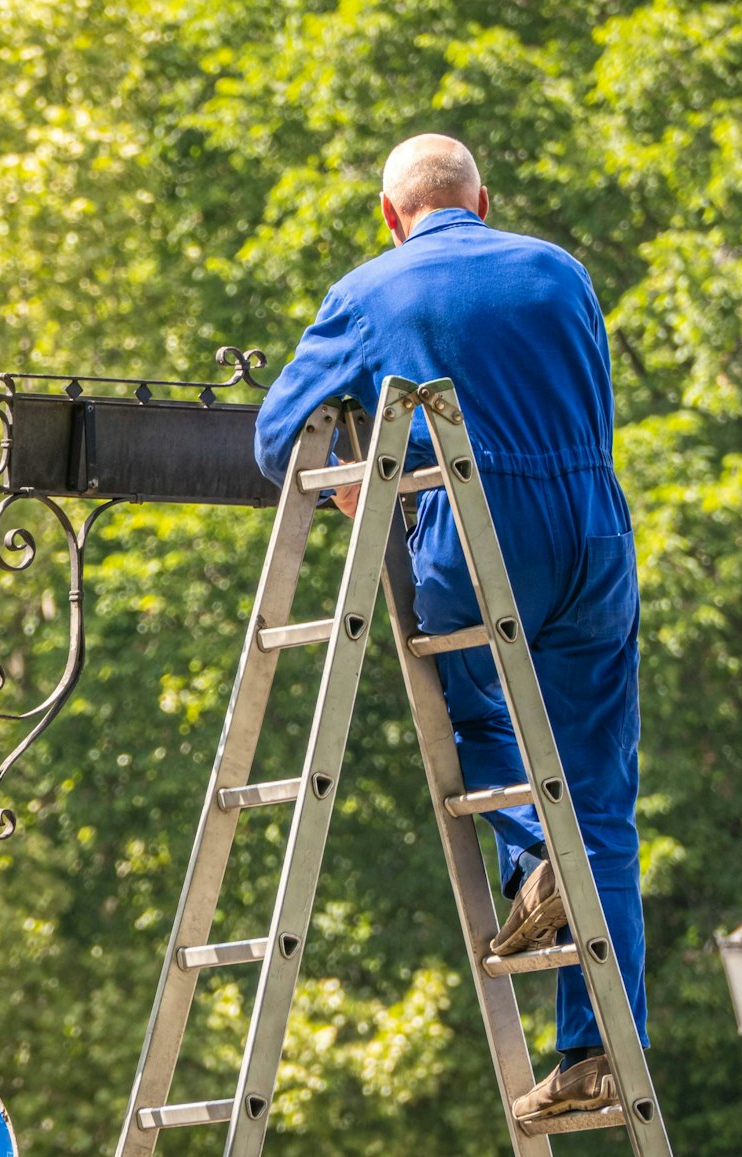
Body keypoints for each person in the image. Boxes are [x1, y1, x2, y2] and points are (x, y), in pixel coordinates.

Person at [252, 133, 645, 1123]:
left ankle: (529, 859)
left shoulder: (369, 290)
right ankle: (597, 1050)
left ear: (391, 216)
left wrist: (354, 487)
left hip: (476, 528)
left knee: (479, 718)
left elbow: (273, 440)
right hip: (593, 531)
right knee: (600, 800)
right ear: (484, 198)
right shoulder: (561, 271)